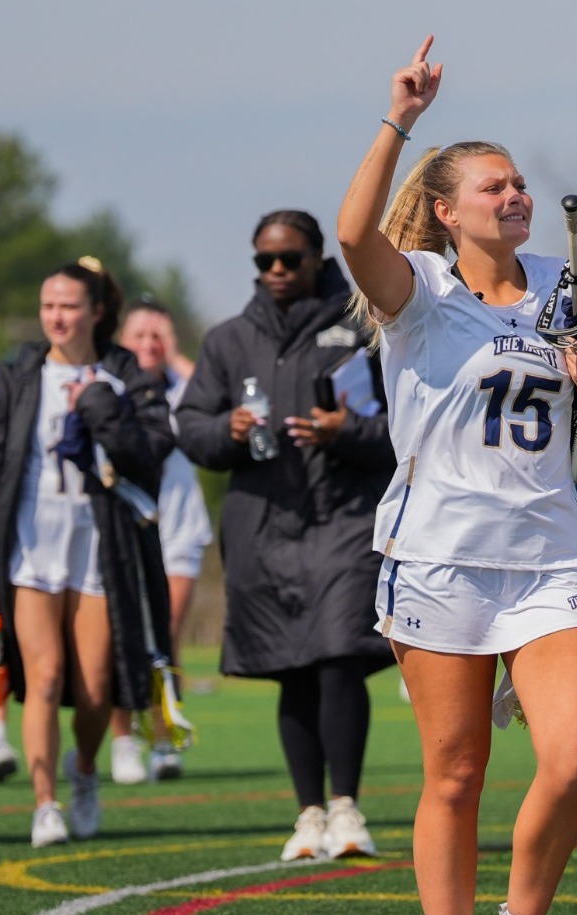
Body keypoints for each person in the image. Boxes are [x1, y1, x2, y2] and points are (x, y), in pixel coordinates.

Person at [335, 37, 577, 915]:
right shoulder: (418, 289)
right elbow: (350, 235)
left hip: (550, 550)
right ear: (448, 209)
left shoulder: (569, 278)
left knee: (575, 750)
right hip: (441, 556)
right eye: (492, 187)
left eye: (518, 184)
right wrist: (401, 120)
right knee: (456, 770)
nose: (514, 197)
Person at [176, 208, 394, 858]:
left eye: (289, 260)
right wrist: (227, 431)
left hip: (343, 518)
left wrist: (343, 431)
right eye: (264, 262)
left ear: (316, 257)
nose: (276, 271)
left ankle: (347, 808)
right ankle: (307, 814)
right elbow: (190, 427)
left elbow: (410, 426)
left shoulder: (361, 325)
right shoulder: (227, 340)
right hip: (262, 525)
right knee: (290, 668)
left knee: (336, 658)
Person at [0, 259, 175, 847]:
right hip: (29, 544)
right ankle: (44, 803)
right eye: (49, 305)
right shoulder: (18, 376)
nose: (57, 316)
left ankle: (84, 771)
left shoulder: (126, 373)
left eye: (70, 305)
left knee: (97, 688)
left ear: (96, 311)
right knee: (45, 676)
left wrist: (100, 405)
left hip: (100, 544)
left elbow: (150, 451)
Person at [106, 299, 212, 782]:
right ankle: (124, 739)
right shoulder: (110, 387)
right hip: (124, 523)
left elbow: (213, 393)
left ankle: (165, 737)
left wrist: (171, 356)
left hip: (178, 524)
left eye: (158, 337)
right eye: (139, 335)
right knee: (120, 634)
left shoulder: (183, 389)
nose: (149, 344)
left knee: (164, 636)